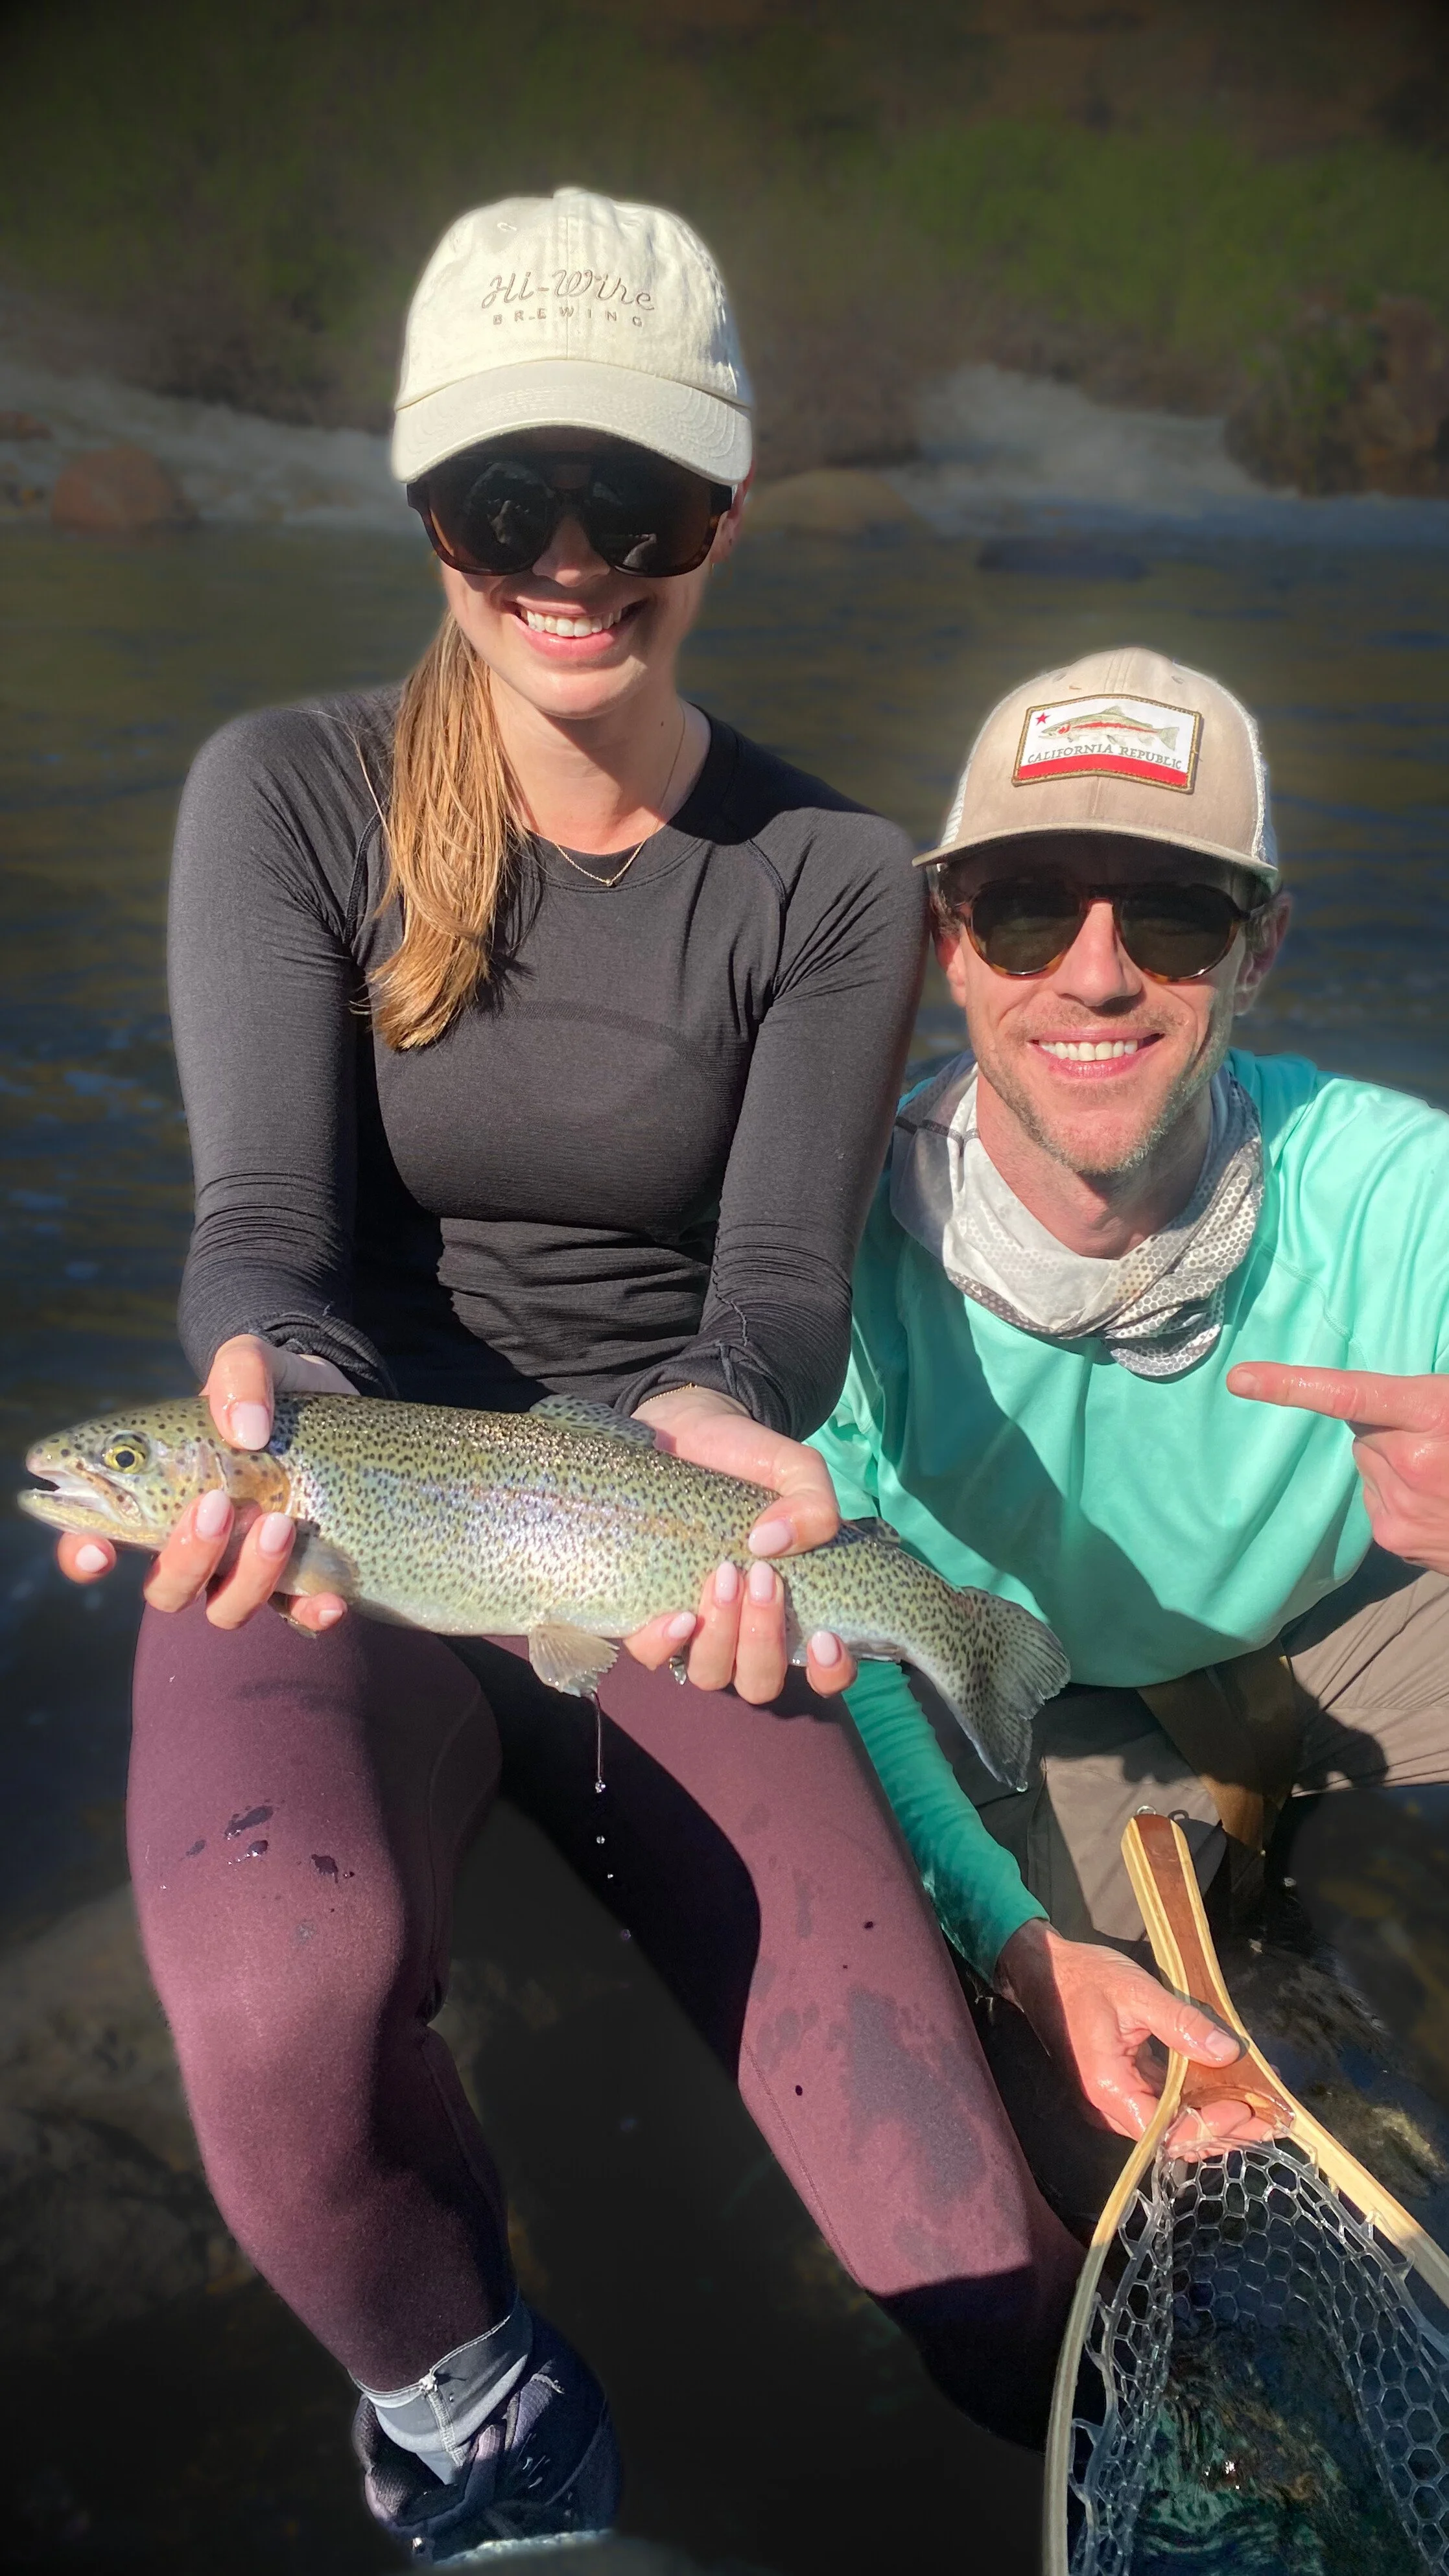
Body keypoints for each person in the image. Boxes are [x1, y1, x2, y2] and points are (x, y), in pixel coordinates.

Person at [51, 191, 1120, 2562]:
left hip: (652, 1519)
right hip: (331, 1499)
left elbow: (772, 1299)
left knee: (968, 2254)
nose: (566, 558)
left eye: (628, 501)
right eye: (503, 496)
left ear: (719, 512)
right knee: (277, 1987)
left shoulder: (826, 870)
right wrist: (246, 1403)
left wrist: (735, 1433)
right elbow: (264, 1235)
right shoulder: (284, 791)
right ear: (424, 505)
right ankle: (482, 2417)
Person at [808, 643, 1449, 2170]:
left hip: (1351, 1625)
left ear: (1259, 947)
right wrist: (1016, 1945)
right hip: (1024, 1700)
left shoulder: (1394, 1187)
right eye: (1028, 910)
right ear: (950, 945)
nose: (1095, 974)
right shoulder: (821, 1246)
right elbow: (857, 1672)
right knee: (1121, 2130)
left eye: (1171, 915)